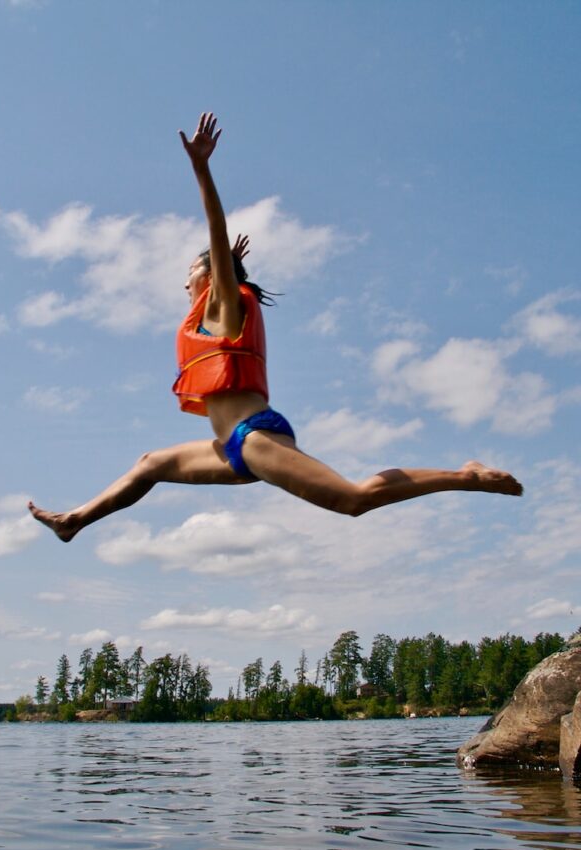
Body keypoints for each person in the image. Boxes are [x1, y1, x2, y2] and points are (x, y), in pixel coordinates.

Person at [28, 112, 522, 542]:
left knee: (354, 499)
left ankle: (467, 476)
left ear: (210, 274)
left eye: (190, 272)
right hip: (228, 448)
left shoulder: (223, 299)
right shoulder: (215, 305)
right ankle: (74, 520)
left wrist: (202, 170)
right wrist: (228, 264)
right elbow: (218, 260)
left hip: (253, 437)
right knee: (150, 463)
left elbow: (215, 235)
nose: (183, 282)